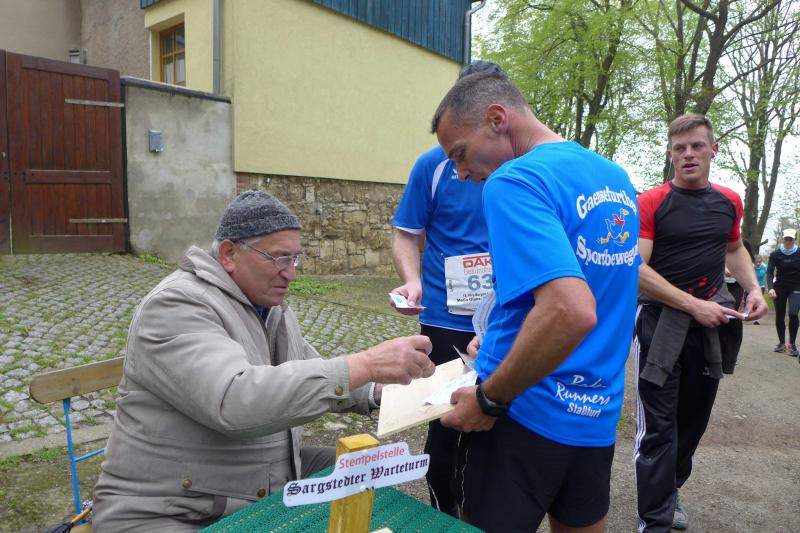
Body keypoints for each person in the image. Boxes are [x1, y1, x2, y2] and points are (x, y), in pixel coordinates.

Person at [92, 191, 434, 532]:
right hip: (172, 510)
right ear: (229, 254)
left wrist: (378, 391)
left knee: (366, 470)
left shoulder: (267, 305)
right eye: (279, 258)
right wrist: (367, 364)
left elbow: (307, 365)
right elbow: (235, 402)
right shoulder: (176, 305)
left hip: (247, 478)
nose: (291, 274)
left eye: (295, 259)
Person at [432, 71, 640, 532]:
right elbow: (614, 278)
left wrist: (489, 399)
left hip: (521, 412)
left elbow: (570, 309)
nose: (461, 173)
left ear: (497, 118)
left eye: (460, 153)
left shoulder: (514, 181)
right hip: (595, 415)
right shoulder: (614, 178)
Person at [634, 114, 767, 531]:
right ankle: (654, 520)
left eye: (696, 146)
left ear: (713, 149)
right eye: (680, 148)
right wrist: (693, 305)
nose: (688, 154)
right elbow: (636, 269)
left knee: (693, 421)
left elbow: (734, 249)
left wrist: (754, 289)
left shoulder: (729, 201)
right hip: (659, 325)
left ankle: (671, 487)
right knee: (658, 427)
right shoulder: (651, 202)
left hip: (709, 329)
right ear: (670, 154)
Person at [389, 59, 505, 517]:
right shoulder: (433, 165)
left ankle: (486, 511)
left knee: (499, 417)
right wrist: (412, 280)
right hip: (446, 317)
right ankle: (444, 513)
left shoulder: (521, 168)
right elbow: (406, 232)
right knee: (445, 423)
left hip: (507, 319)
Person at [767, 228, 800, 357]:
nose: (788, 241)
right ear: (783, 239)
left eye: (790, 239)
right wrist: (771, 288)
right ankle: (781, 343)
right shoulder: (775, 254)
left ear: (794, 240)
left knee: (793, 313)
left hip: (796, 287)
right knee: (780, 315)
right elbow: (770, 273)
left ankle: (792, 345)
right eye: (786, 239)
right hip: (779, 287)